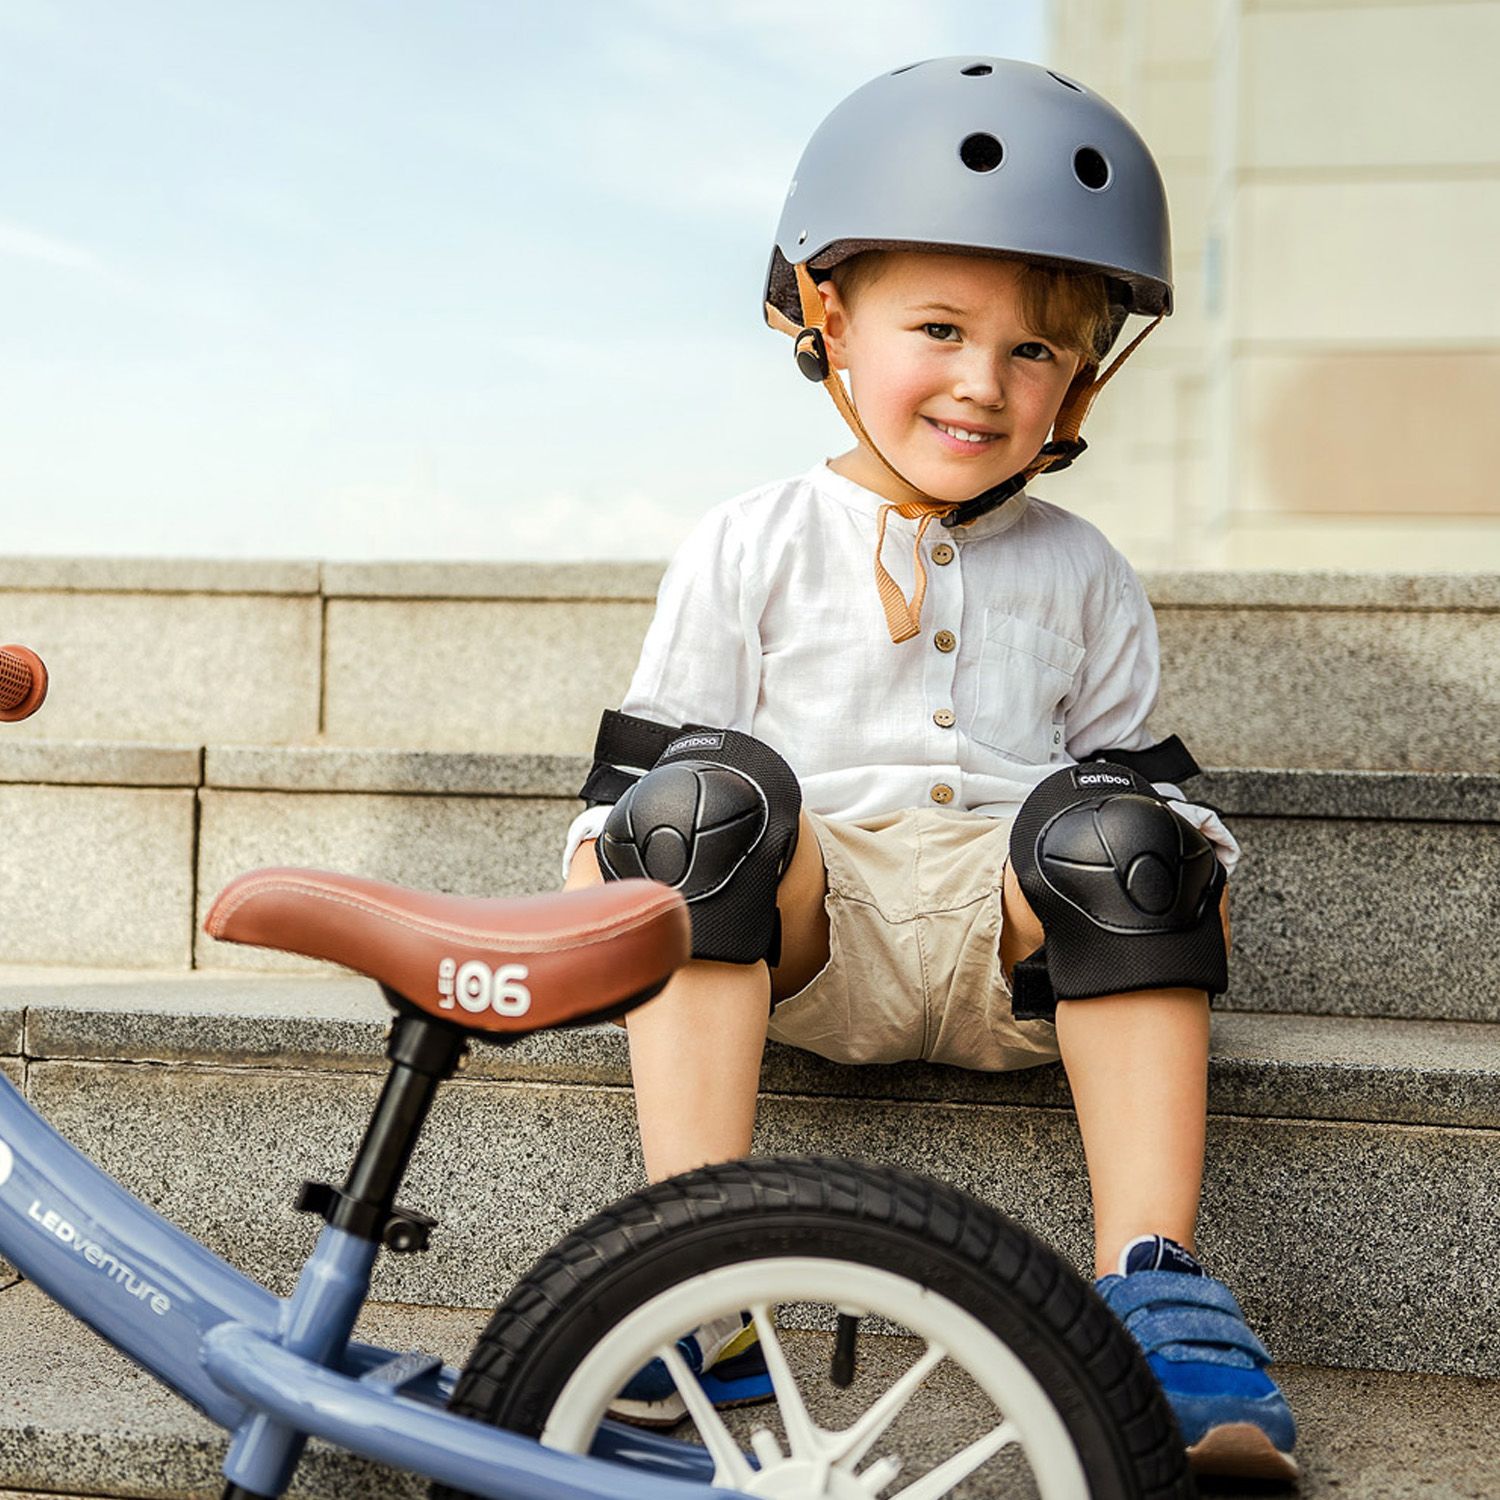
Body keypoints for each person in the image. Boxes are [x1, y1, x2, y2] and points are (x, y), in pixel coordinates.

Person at [560, 57, 1298, 1483]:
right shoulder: (751, 540)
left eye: (1035, 351)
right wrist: (620, 859)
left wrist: (1178, 864)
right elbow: (639, 779)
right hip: (805, 929)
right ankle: (692, 1274)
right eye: (941, 329)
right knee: (697, 808)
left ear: (1083, 379)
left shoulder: (1085, 567)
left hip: (1008, 945)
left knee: (1124, 837)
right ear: (830, 320)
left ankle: (1156, 1291)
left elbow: (1135, 769)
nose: (982, 382)